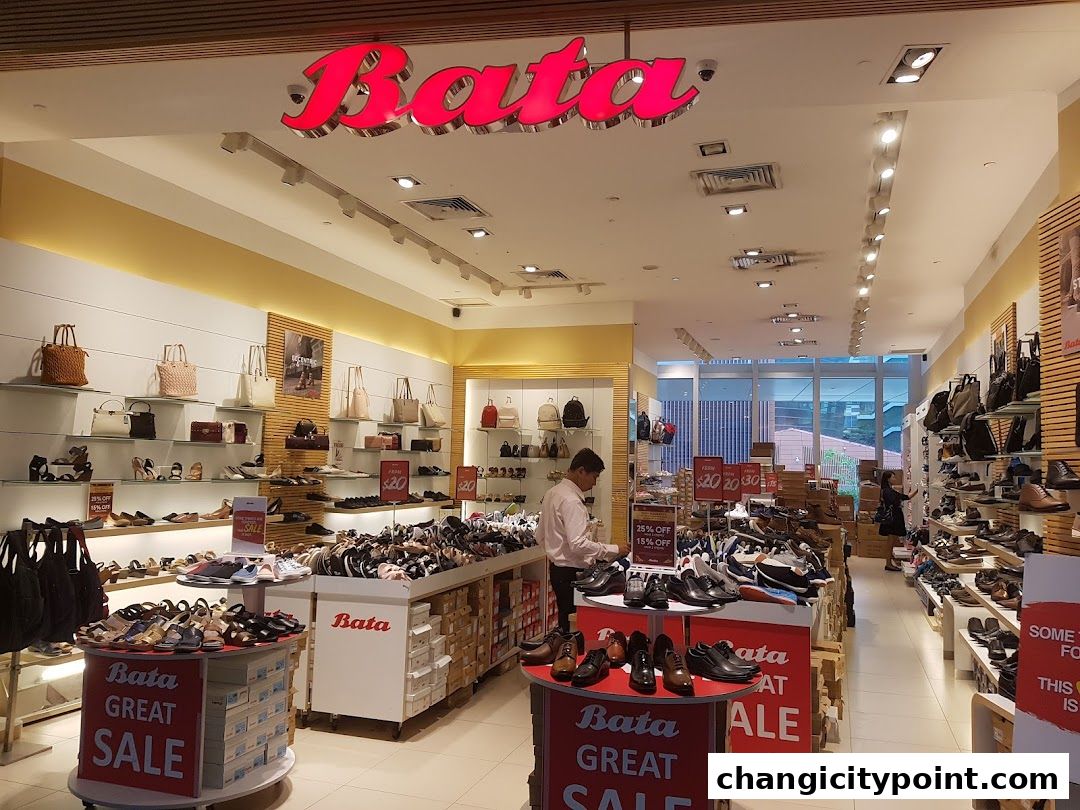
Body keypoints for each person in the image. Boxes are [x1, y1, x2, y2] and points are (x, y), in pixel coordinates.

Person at [536, 448, 622, 631]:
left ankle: (563, 647)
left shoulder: (552, 493)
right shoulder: (572, 501)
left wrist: (555, 551)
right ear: (581, 471)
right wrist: (614, 549)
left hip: (557, 569)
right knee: (576, 625)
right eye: (594, 477)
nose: (594, 483)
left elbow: (539, 535)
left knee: (565, 620)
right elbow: (577, 544)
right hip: (572, 572)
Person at [879, 471, 917, 572]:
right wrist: (917, 490)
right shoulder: (888, 491)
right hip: (893, 518)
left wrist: (917, 490)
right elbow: (902, 498)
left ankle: (889, 562)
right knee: (890, 542)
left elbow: (905, 497)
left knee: (891, 542)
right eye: (893, 477)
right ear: (888, 479)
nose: (895, 479)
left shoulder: (887, 490)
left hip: (892, 517)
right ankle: (888, 564)